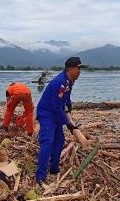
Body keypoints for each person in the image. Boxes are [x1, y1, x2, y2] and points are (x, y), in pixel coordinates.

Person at [35, 57, 86, 185]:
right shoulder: (60, 82)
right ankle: (40, 177)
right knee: (48, 142)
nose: (80, 72)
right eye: (78, 68)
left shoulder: (70, 81)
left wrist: (69, 105)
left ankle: (54, 168)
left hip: (56, 113)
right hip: (47, 114)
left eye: (80, 69)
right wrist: (69, 124)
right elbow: (56, 106)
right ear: (70, 68)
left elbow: (66, 96)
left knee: (59, 141)